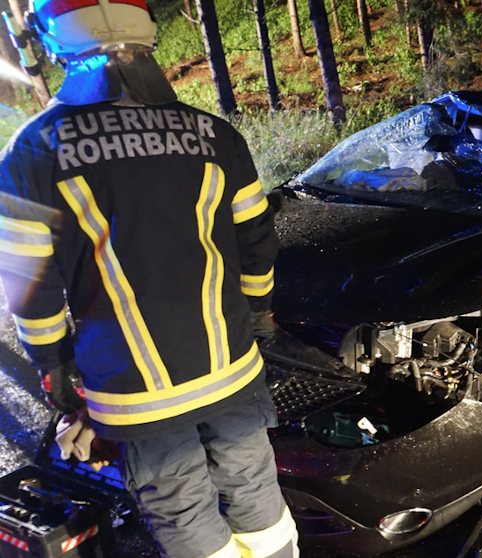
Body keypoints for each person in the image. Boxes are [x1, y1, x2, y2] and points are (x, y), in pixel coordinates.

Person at [0, 1, 299, 557]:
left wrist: (56, 366)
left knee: (183, 508)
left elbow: (30, 287)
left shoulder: (33, 152)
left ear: (52, 36)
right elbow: (257, 243)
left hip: (136, 393)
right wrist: (259, 315)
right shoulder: (215, 135)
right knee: (256, 487)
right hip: (230, 367)